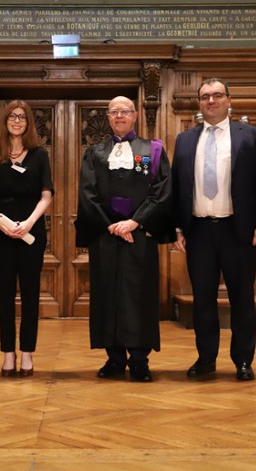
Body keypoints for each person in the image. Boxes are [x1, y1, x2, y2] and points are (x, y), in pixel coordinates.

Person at [171, 78, 256, 382]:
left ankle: (243, 360)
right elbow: (179, 188)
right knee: (202, 300)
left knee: (242, 298)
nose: (211, 101)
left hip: (238, 231)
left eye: (217, 96)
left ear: (229, 100)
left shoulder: (250, 136)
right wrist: (178, 228)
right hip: (199, 232)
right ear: (199, 104)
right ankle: (206, 359)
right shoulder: (186, 140)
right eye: (205, 97)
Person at [74, 96, 175, 383]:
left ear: (135, 115)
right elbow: (87, 193)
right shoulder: (95, 152)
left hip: (139, 235)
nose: (119, 116)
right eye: (114, 112)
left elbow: (161, 191)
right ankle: (114, 358)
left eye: (125, 111)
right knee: (107, 295)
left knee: (139, 296)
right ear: (108, 117)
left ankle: (140, 361)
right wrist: (112, 226)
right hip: (106, 237)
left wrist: (134, 221)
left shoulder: (151, 150)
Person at [0, 100, 53, 377]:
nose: (17, 120)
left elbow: (47, 194)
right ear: (5, 121)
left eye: (22, 117)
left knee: (31, 295)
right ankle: (8, 353)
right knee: (6, 295)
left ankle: (28, 354)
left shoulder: (39, 155)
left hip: (31, 232)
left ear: (28, 122)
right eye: (12, 116)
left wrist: (30, 223)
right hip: (2, 234)